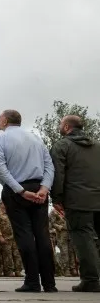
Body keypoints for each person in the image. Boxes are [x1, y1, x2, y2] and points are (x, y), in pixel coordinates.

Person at [0, 109, 57, 293]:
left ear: (4, 121)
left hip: (16, 190)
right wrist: (45, 188)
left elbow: (2, 170)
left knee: (24, 235)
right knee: (42, 235)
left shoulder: (0, 140)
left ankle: (32, 281)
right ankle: (50, 282)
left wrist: (20, 191)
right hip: (39, 189)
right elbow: (49, 165)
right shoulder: (36, 138)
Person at [50, 115, 100, 292]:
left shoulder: (62, 146)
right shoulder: (97, 145)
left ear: (65, 127)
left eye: (60, 123)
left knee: (83, 237)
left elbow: (58, 173)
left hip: (78, 200)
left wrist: (56, 198)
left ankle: (91, 280)